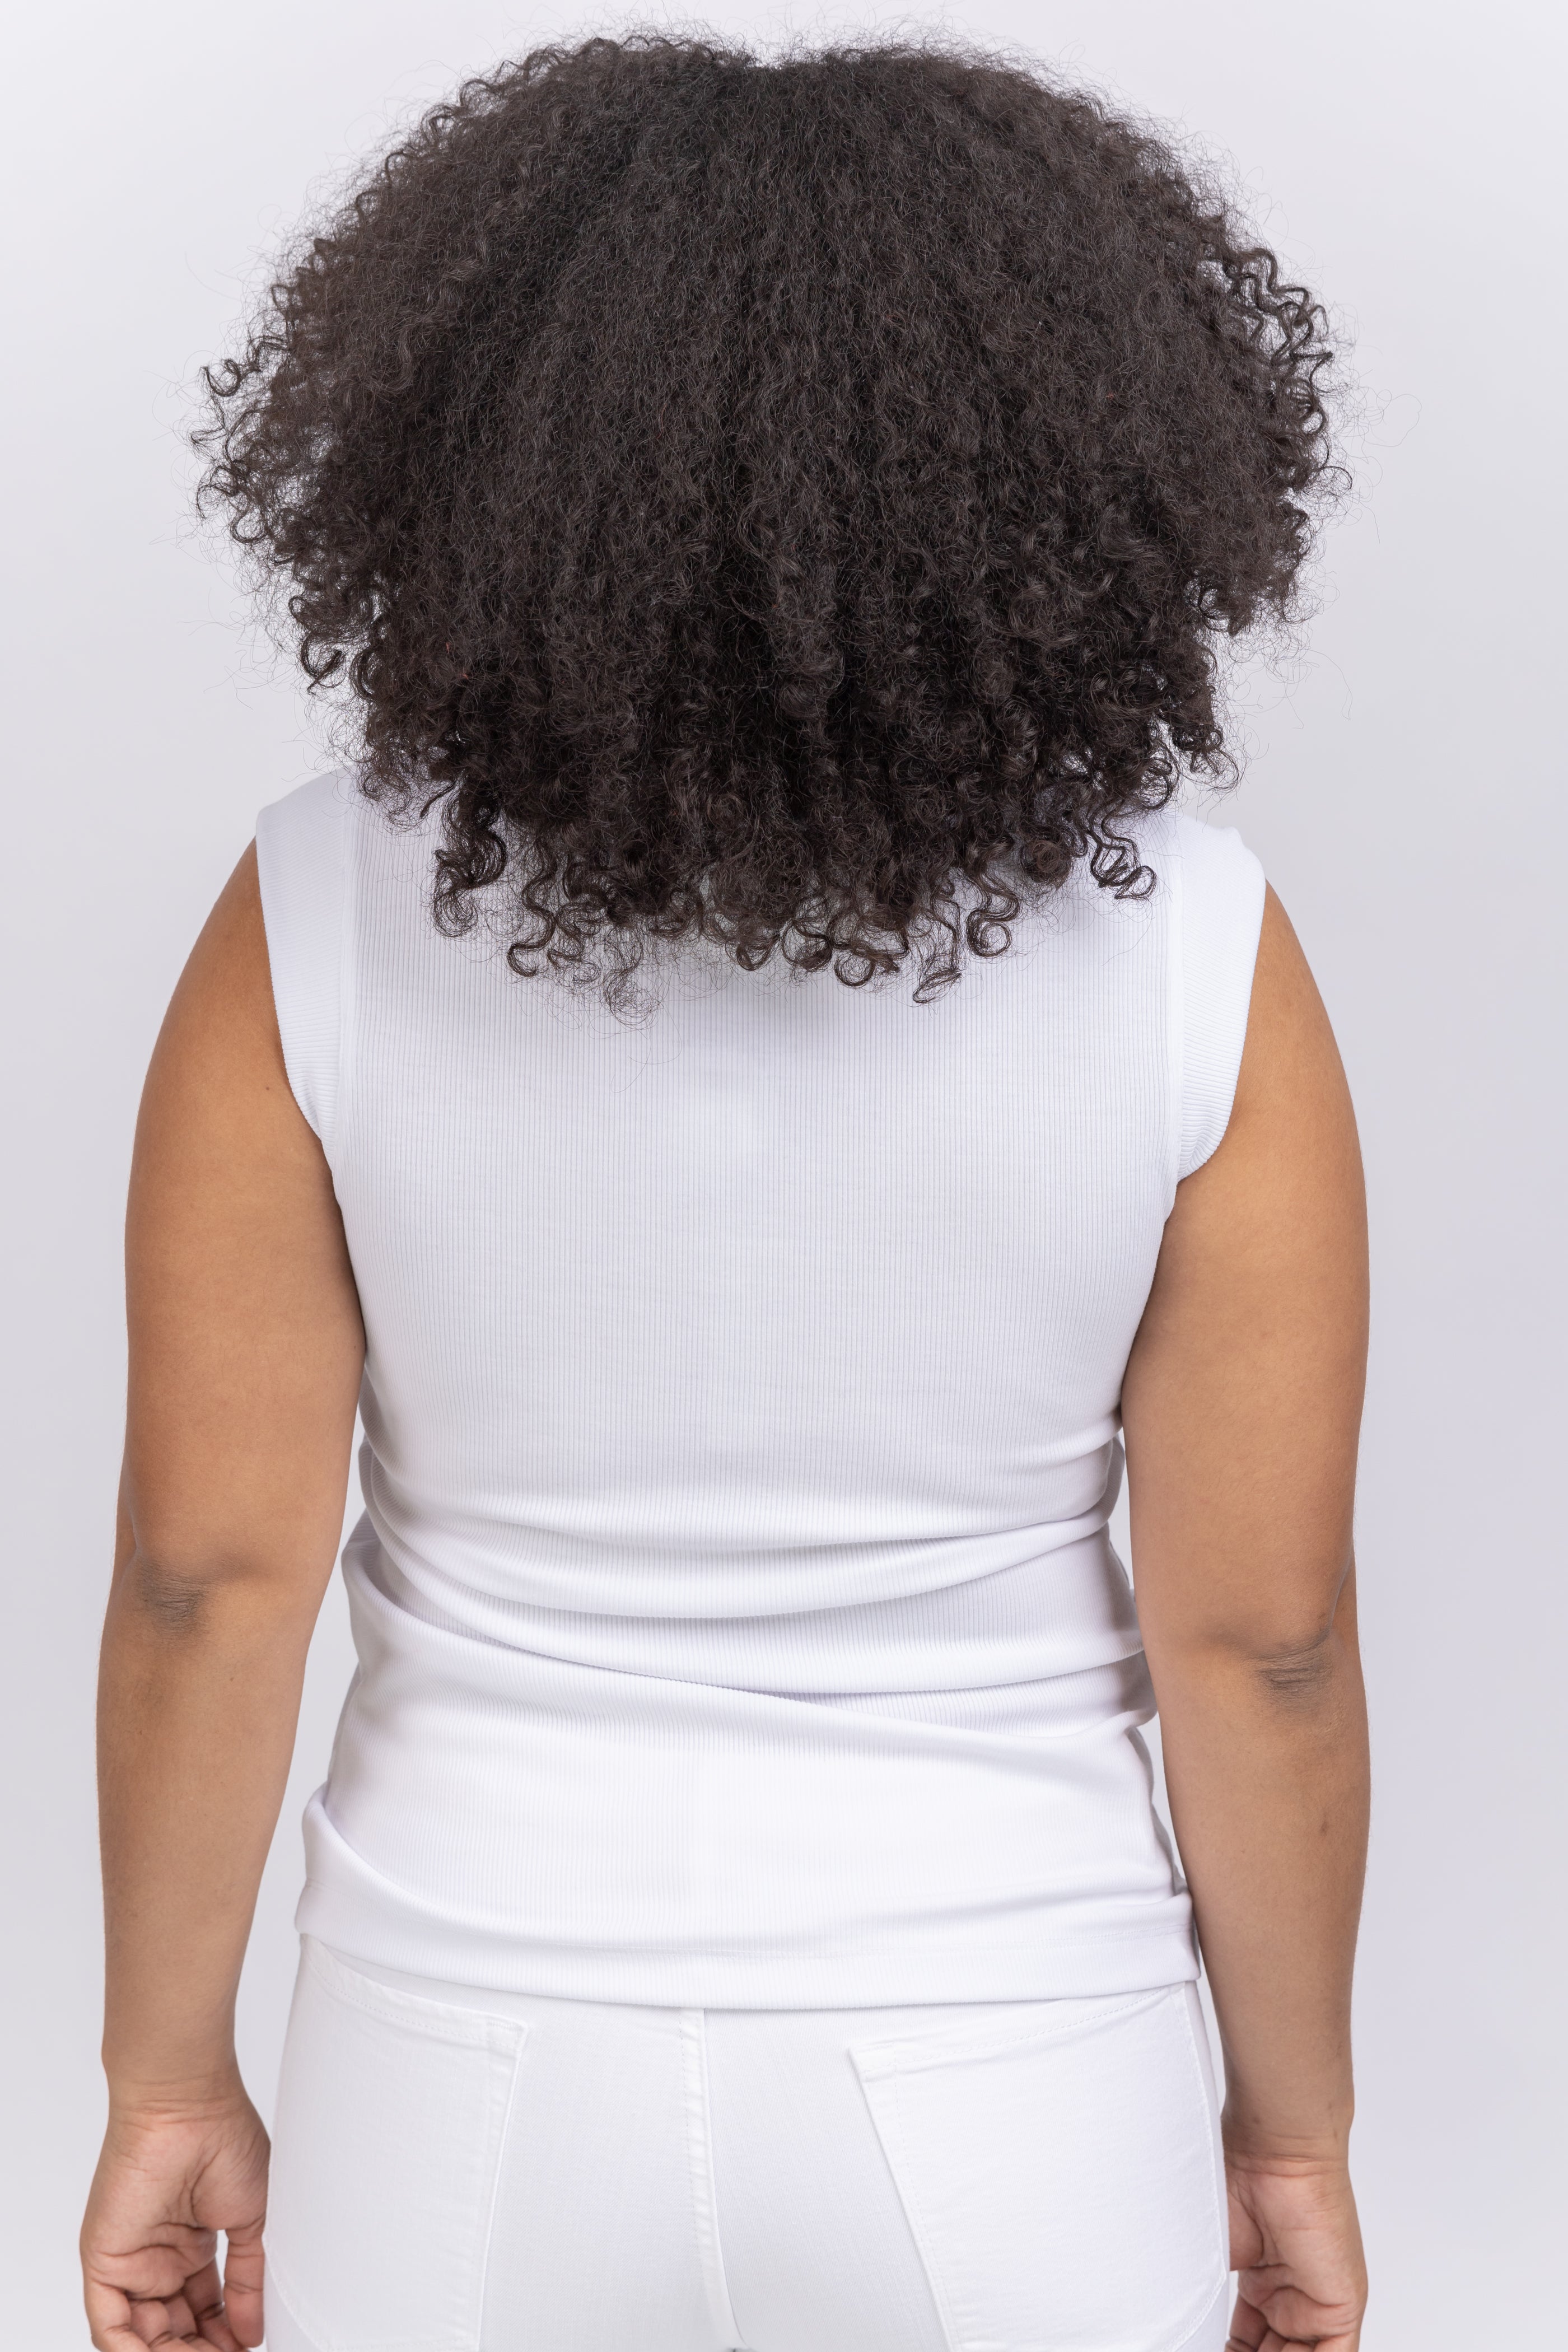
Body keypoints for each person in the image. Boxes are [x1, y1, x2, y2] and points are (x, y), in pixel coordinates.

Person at [80, 34, 1370, 2352]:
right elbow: (1260, 1646)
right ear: (1073, 463)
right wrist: (1291, 2137)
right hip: (1010, 2056)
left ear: (478, 449)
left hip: (455, 2058)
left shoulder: (308, 916)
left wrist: (165, 2080)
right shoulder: (1199, 945)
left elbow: (206, 1581)